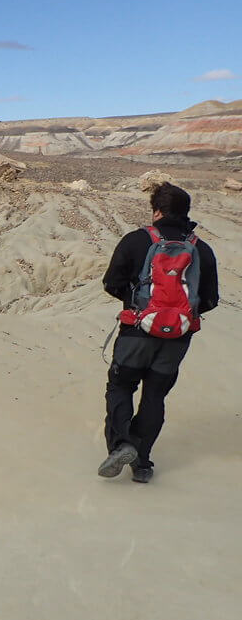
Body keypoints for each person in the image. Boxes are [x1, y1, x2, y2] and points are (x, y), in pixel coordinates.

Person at [99, 182, 218, 482]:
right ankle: (142, 464)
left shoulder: (136, 241)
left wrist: (139, 308)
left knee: (121, 387)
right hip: (176, 340)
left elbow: (112, 282)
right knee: (154, 396)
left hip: (136, 334)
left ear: (156, 211)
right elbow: (210, 300)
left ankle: (123, 444)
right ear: (186, 212)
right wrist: (177, 318)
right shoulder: (201, 249)